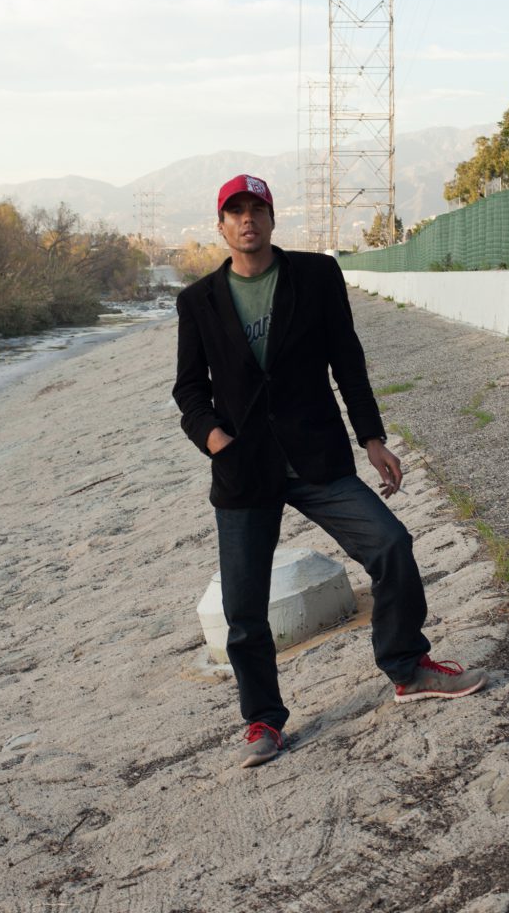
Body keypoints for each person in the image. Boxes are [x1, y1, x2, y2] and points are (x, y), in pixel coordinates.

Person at [173, 174, 487, 769]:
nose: (247, 221)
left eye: (256, 209)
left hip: (315, 457)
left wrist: (372, 437)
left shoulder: (316, 276)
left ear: (271, 218)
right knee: (244, 611)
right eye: (235, 212)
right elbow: (189, 389)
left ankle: (407, 667)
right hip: (245, 472)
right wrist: (216, 441)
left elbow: (347, 359)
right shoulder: (198, 302)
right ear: (221, 226)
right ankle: (263, 721)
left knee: (391, 543)